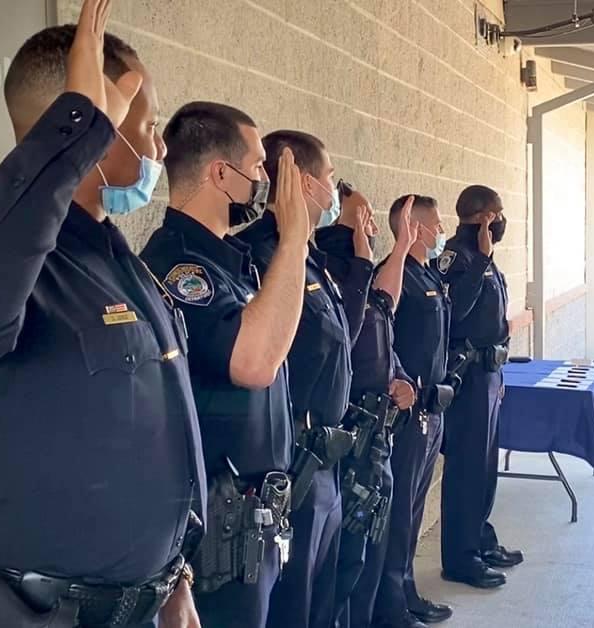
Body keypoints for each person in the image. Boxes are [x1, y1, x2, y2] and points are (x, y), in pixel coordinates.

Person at [0, 2, 204, 626]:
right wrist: (77, 129)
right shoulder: (10, 261)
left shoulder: (115, 255)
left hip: (145, 605)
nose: (160, 145)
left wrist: (173, 578)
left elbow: (151, 437)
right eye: (148, 124)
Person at [140, 102, 310, 627]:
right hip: (218, 530)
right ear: (221, 174)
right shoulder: (179, 265)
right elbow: (254, 362)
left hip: (255, 517)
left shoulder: (225, 260)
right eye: (258, 168)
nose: (265, 181)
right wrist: (297, 240)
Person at [236, 130, 373, 628]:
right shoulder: (258, 254)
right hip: (293, 460)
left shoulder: (312, 257)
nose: (334, 189)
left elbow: (345, 337)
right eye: (331, 178)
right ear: (306, 182)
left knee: (323, 595)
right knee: (292, 604)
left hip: (328, 460)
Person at [319, 195, 419, 628]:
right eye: (361, 214)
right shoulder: (332, 274)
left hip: (378, 432)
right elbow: (349, 331)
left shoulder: (364, 278)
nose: (369, 223)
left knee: (372, 547)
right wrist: (362, 257)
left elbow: (384, 317)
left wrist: (400, 378)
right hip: (348, 435)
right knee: (346, 563)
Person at [433, 185, 522, 589]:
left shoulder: (484, 257)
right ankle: (460, 558)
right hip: (466, 379)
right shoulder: (458, 257)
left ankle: (481, 541)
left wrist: (498, 375)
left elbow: (495, 321)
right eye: (498, 213)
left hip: (488, 375)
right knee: (466, 471)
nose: (501, 220)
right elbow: (453, 313)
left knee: (485, 469)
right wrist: (481, 260)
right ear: (485, 216)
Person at [373, 195, 455, 628]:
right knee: (399, 514)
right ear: (417, 228)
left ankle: (406, 593)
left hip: (432, 408)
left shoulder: (427, 275)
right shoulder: (395, 275)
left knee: (416, 507)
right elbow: (381, 339)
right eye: (437, 225)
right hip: (406, 415)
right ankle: (389, 607)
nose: (442, 231)